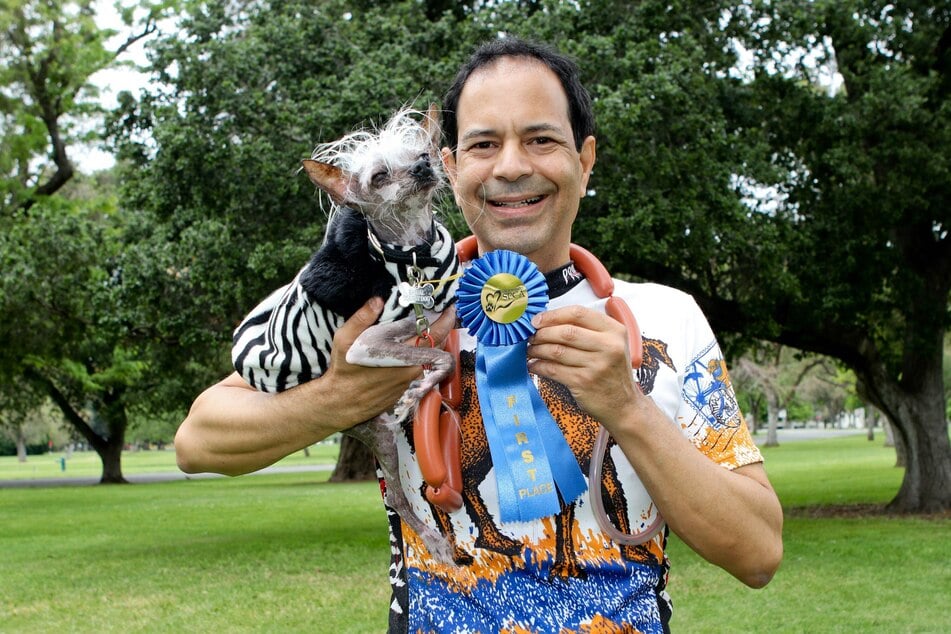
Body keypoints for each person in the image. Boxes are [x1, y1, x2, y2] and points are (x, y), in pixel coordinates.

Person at [176, 37, 783, 633]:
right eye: (484, 144)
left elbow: (757, 554)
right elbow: (199, 441)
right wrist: (342, 397)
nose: (512, 166)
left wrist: (628, 407)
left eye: (541, 140)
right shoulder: (388, 315)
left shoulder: (664, 318)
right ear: (449, 167)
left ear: (585, 158)